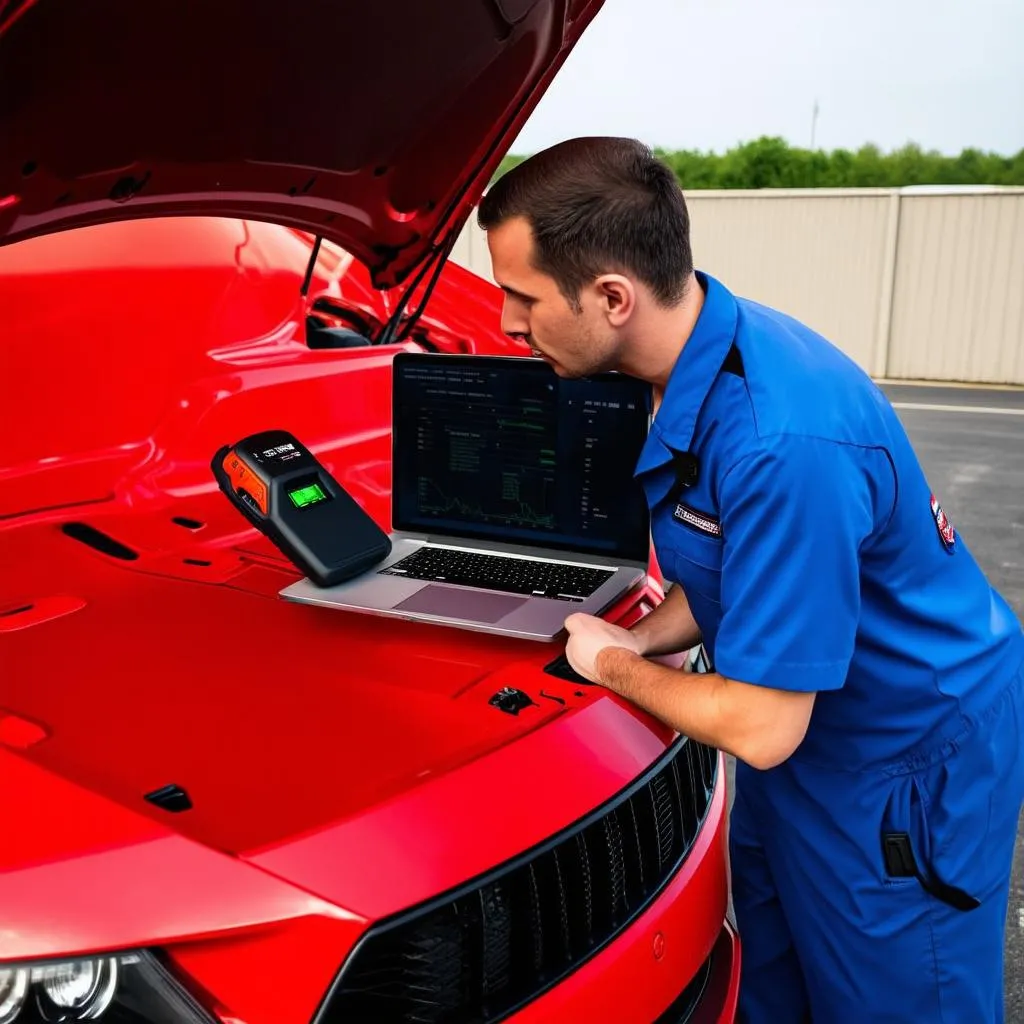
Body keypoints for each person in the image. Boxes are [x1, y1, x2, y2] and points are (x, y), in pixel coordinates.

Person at [478, 137, 1024, 1023]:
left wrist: (611, 666)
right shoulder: (691, 358)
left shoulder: (778, 439)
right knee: (776, 983)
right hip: (808, 728)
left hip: (903, 754)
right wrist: (638, 634)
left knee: (894, 999)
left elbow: (763, 728)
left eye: (523, 296)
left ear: (613, 297)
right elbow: (729, 566)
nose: (504, 321)